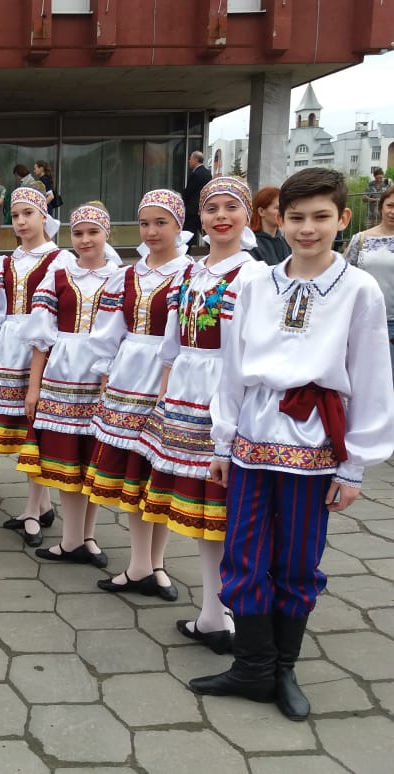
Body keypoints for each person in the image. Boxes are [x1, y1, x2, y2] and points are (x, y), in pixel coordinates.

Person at [189, 167, 394, 721]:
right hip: (254, 435)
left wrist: (354, 466)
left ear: (342, 219)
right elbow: (233, 366)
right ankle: (251, 666)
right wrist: (222, 442)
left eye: (320, 217)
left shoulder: (358, 289)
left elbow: (371, 375)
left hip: (314, 438)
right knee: (243, 552)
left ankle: (282, 667)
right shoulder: (256, 283)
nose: (307, 228)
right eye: (296, 217)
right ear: (279, 220)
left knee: (298, 558)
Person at [136, 177, 264, 653]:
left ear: (247, 215)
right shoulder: (190, 273)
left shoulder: (253, 275)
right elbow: (171, 344)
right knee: (204, 510)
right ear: (200, 218)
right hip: (185, 396)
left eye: (231, 207)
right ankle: (214, 612)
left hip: (226, 397)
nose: (221, 216)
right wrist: (164, 396)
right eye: (212, 208)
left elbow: (251, 349)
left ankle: (231, 610)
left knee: (225, 510)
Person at [85, 189, 193, 601]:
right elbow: (109, 329)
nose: (151, 231)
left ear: (179, 225)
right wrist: (104, 371)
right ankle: (139, 564)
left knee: (159, 473)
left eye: (161, 222)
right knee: (134, 472)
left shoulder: (190, 274)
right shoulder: (127, 275)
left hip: (169, 377)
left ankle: (155, 562)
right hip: (129, 376)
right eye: (145, 223)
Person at [19, 203, 120, 567]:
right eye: (78, 233)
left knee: (92, 458)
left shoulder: (120, 278)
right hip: (62, 374)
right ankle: (71, 538)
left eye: (93, 232)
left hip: (101, 377)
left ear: (106, 234)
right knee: (66, 459)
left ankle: (86, 537)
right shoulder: (59, 275)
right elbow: (40, 338)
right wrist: (33, 388)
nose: (85, 239)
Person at [0, 186, 62, 545]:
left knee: (37, 430)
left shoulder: (58, 260)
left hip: (41, 351)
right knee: (23, 430)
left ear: (43, 217)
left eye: (27, 214)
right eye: (15, 215)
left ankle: (33, 510)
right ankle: (42, 505)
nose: (20, 221)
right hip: (10, 348)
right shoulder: (7, 261)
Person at [344, 184, 394, 374]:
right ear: (381, 207)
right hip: (365, 320)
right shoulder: (361, 239)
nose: (393, 211)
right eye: (390, 205)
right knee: (367, 376)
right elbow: (346, 277)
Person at [249, 186, 291, 266]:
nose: (283, 212)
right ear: (261, 211)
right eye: (278, 208)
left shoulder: (286, 243)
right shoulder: (250, 245)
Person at [182, 151, 211, 237]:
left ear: (196, 159)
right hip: (202, 208)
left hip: (192, 211)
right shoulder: (208, 173)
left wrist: (182, 200)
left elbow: (189, 191)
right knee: (206, 233)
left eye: (190, 159)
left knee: (188, 235)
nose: (189, 161)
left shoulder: (195, 174)